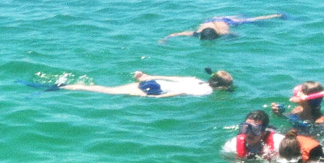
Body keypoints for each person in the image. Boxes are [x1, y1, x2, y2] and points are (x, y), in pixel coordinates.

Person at [59, 69, 233, 97]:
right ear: (222, 87)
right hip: (155, 90)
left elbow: (173, 78)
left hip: (154, 82)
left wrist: (147, 76)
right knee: (108, 92)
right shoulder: (207, 92)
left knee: (105, 89)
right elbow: (181, 93)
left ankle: (66, 85)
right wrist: (160, 99)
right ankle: (62, 87)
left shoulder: (196, 80)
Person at [162, 14, 286, 42]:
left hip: (228, 21)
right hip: (215, 19)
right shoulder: (197, 33)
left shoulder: (223, 32)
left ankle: (278, 15)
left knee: (253, 20)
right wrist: (165, 38)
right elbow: (175, 34)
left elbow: (176, 34)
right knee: (250, 21)